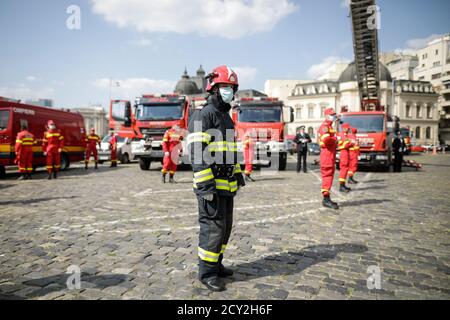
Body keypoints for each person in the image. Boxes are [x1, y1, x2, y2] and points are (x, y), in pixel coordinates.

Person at [187, 65, 245, 292]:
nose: (229, 91)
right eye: (225, 86)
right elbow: (197, 153)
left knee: (224, 228)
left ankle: (217, 265)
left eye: (231, 87)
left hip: (226, 185)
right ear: (213, 87)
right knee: (212, 228)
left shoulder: (226, 117)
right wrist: (205, 185)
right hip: (210, 185)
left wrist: (238, 174)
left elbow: (230, 151)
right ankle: (207, 273)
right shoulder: (203, 115)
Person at [318, 108, 339, 210]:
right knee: (327, 175)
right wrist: (335, 139)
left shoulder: (329, 126)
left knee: (329, 175)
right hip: (327, 155)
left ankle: (327, 198)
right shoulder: (325, 126)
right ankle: (326, 199)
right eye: (332, 115)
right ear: (327, 116)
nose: (334, 116)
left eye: (334, 114)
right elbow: (326, 140)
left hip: (329, 154)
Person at [338, 123, 354, 193]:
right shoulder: (342, 135)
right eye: (348, 128)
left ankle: (343, 185)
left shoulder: (345, 135)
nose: (349, 129)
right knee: (343, 169)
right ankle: (341, 186)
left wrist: (351, 142)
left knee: (345, 169)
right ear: (344, 128)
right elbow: (346, 144)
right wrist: (352, 143)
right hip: (344, 153)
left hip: (346, 152)